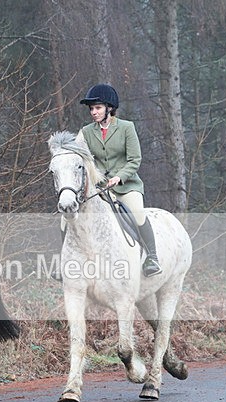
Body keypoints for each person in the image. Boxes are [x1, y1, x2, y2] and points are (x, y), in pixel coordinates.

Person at [76, 83, 162, 277]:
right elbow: (79, 156)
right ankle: (65, 262)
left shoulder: (126, 128)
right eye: (91, 109)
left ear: (109, 108)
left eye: (97, 108)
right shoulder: (86, 132)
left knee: (138, 214)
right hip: (99, 188)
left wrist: (119, 177)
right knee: (68, 217)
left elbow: (135, 160)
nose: (93, 112)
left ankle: (152, 258)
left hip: (126, 186)